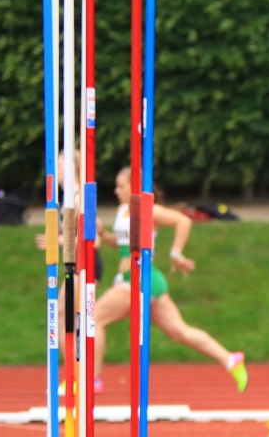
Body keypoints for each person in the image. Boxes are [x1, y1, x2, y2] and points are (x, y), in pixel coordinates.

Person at [93, 167, 249, 393]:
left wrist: (175, 253)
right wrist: (102, 234)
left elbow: (183, 221)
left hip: (140, 279)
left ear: (134, 186)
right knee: (179, 332)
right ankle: (230, 360)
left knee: (94, 319)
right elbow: (121, 245)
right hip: (135, 279)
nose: (116, 190)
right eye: (116, 186)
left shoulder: (149, 210)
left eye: (121, 186)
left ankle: (93, 379)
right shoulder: (122, 210)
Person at [34, 150, 106, 393]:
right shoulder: (69, 198)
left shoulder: (78, 198)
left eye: (61, 163)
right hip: (75, 262)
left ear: (74, 167)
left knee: (74, 316)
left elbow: (92, 239)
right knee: (66, 314)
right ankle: (77, 375)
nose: (56, 167)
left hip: (85, 262)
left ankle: (84, 377)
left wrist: (58, 241)